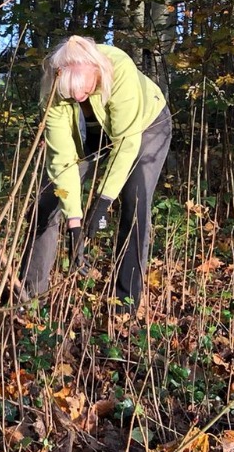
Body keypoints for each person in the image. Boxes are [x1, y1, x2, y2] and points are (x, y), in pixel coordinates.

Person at [23, 36, 171, 308]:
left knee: (134, 202)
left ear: (97, 71)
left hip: (145, 126)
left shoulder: (119, 68)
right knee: (47, 201)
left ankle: (125, 303)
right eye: (71, 94)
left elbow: (126, 145)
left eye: (85, 90)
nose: (78, 97)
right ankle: (29, 295)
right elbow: (61, 160)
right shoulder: (55, 88)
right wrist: (75, 222)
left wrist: (102, 204)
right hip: (89, 135)